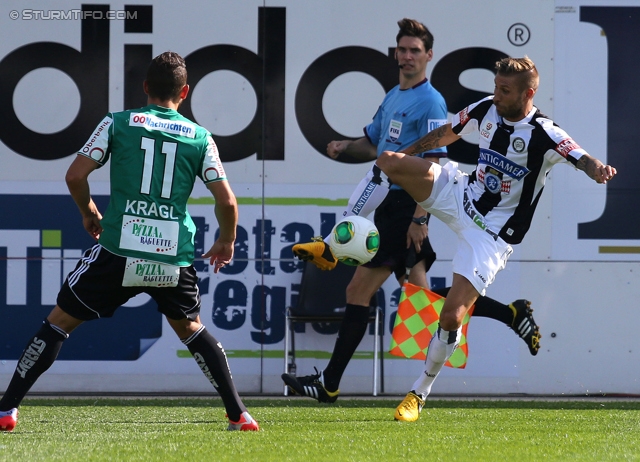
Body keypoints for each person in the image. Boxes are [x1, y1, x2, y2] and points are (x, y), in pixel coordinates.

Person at [281, 20, 540, 405]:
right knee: (415, 297)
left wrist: (421, 217)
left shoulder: (431, 101)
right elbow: (376, 145)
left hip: (406, 207)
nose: (406, 56)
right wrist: (344, 146)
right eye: (402, 49)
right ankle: (511, 314)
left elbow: (434, 162)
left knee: (369, 291)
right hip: (389, 204)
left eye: (414, 50)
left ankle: (331, 382)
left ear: (428, 56)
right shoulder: (393, 96)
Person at [0, 52, 259, 432]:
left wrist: (89, 212)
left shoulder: (118, 123)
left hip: (120, 249)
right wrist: (226, 239)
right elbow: (227, 201)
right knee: (191, 328)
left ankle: (7, 409)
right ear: (184, 92)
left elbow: (75, 176)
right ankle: (239, 414)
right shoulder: (200, 137)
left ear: (145, 88)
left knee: (58, 323)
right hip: (172, 256)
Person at [371, 56, 616, 421]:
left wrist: (596, 168)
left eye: (505, 90)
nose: (496, 95)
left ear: (528, 94)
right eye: (496, 86)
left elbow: (579, 156)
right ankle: (334, 241)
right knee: (389, 161)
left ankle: (419, 393)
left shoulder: (545, 133)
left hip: (491, 236)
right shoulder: (486, 107)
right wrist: (405, 154)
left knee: (452, 316)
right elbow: (447, 134)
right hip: (461, 196)